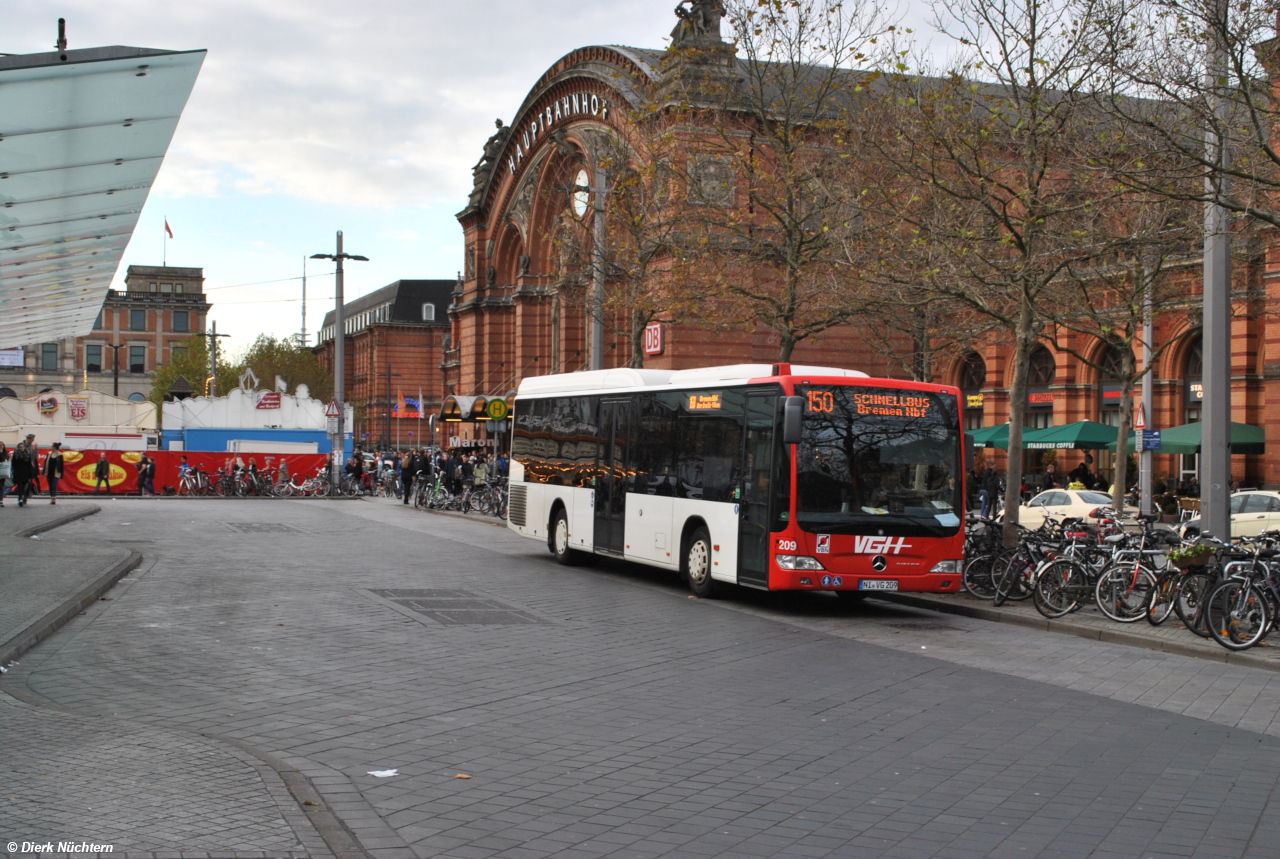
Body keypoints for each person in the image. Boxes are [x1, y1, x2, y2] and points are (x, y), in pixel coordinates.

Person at [0, 442, 10, 507]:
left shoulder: (5, 453)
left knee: (1, 486)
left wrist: (0, 452)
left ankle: (0, 500)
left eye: (2, 445)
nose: (1, 446)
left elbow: (3, 460)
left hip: (2, 472)